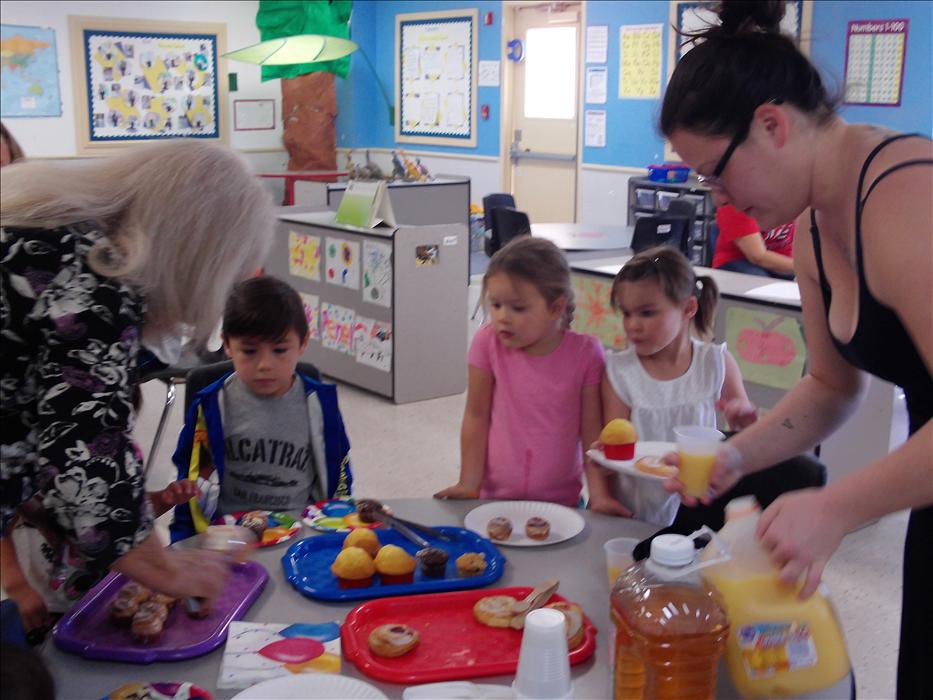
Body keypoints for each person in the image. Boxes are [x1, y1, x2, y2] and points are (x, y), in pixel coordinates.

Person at [659, 2, 931, 696]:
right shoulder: (813, 226)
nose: (718, 197)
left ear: (771, 125)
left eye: (715, 175)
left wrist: (834, 508)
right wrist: (733, 458)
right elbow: (833, 387)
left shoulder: (905, 198)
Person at [1, 140, 276, 634]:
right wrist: (163, 567)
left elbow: (35, 420)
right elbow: (86, 444)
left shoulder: (50, 235)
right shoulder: (94, 269)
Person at [169, 276, 353, 541]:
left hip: (301, 533)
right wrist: (183, 543)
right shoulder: (210, 406)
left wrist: (337, 533)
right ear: (228, 345)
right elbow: (191, 481)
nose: (265, 364)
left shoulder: (320, 404)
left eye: (279, 350)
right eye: (249, 351)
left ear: (302, 343)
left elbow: (340, 473)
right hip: (229, 536)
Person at [588, 246, 757, 522]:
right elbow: (615, 441)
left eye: (646, 313)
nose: (632, 325)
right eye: (626, 313)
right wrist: (604, 466)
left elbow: (745, 437)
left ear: (688, 308)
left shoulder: (716, 362)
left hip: (697, 506)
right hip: (635, 512)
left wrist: (744, 421)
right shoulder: (619, 371)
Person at [434, 236, 605, 507]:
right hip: (494, 502)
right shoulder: (487, 342)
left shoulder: (586, 354)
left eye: (518, 307)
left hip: (563, 505)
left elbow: (591, 435)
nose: (502, 316)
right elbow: (476, 416)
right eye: (496, 304)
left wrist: (600, 496)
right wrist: (469, 483)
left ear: (555, 307)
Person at [713, 203, 795, 278]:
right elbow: (758, 256)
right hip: (736, 261)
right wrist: (801, 267)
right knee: (760, 284)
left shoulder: (789, 203)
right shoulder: (736, 205)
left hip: (778, 260)